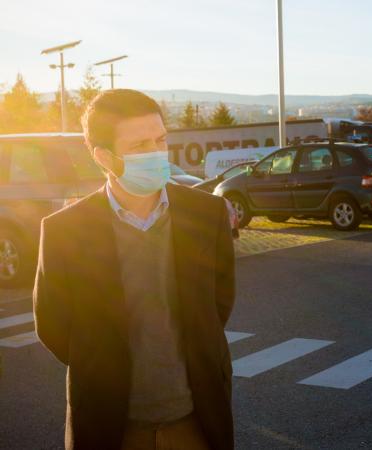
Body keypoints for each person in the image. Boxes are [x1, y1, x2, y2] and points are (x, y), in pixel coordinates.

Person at [33, 89, 236, 450]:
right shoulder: (64, 231)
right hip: (110, 426)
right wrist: (100, 359)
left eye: (160, 140)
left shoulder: (208, 215)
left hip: (197, 422)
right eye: (140, 146)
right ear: (103, 157)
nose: (157, 154)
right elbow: (53, 325)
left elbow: (218, 305)